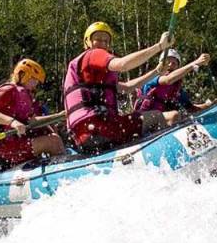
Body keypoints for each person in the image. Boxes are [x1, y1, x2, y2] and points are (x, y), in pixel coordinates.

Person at [63, 21, 175, 154]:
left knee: (135, 122)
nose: (102, 44)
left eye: (106, 41)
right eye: (97, 39)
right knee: (156, 116)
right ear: (87, 42)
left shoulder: (92, 75)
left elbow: (128, 87)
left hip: (86, 133)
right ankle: (163, 155)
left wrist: (156, 72)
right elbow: (123, 64)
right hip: (99, 127)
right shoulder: (93, 54)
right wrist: (159, 46)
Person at [0, 59, 65, 168]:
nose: (36, 85)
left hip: (11, 144)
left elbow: (32, 121)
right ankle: (61, 173)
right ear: (23, 75)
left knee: (52, 134)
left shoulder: (23, 94)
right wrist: (13, 122)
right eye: (34, 80)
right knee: (54, 142)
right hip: (1, 149)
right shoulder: (8, 90)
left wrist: (59, 116)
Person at [134, 50, 212, 125]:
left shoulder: (177, 90)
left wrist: (208, 104)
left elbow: (191, 108)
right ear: (160, 65)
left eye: (174, 63)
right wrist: (195, 63)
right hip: (142, 119)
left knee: (183, 116)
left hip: (158, 120)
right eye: (167, 62)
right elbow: (168, 79)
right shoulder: (153, 78)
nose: (170, 65)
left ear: (178, 68)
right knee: (174, 115)